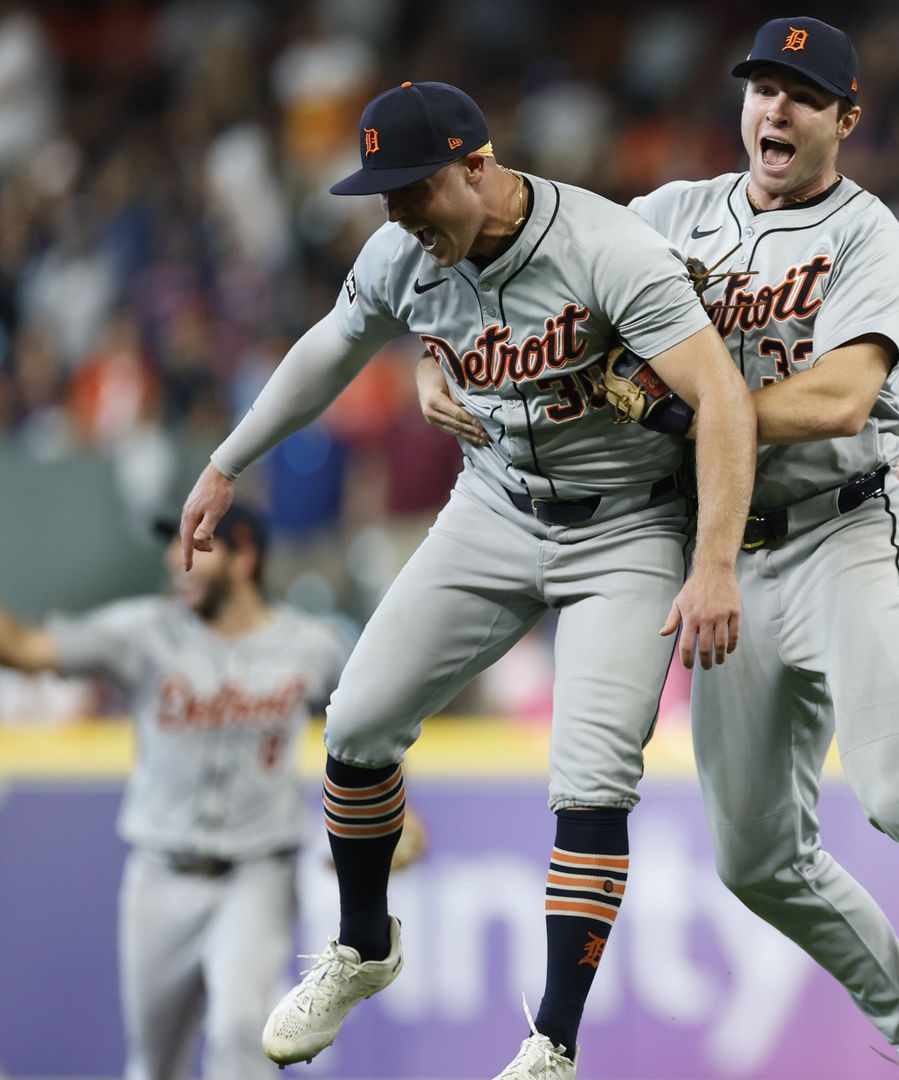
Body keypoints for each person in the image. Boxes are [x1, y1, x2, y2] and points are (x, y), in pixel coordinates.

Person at [421, 18, 899, 1080]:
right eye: (763, 88)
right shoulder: (668, 216)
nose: (776, 108)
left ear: (846, 120)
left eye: (804, 95)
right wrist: (442, 360)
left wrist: (697, 413)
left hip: (845, 530)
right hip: (727, 551)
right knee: (757, 857)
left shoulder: (871, 237)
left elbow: (847, 395)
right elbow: (524, 273)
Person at [177, 80, 758, 1079]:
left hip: (625, 526)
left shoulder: (606, 248)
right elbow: (330, 348)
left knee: (588, 783)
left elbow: (723, 401)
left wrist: (712, 564)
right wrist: (230, 461)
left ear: (478, 166)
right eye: (386, 195)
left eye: (413, 188)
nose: (397, 212)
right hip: (495, 508)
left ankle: (553, 1043)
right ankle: (365, 947)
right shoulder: (406, 250)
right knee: (357, 725)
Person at [0, 506, 350, 1080]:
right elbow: (26, 650)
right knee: (154, 1066)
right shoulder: (143, 631)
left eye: (194, 544)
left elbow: (373, 733)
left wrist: (391, 823)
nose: (175, 560)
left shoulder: (312, 647)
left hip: (258, 873)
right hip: (159, 877)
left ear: (244, 557)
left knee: (242, 1032)